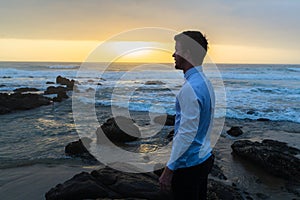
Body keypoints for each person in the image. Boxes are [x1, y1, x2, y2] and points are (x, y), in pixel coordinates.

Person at [159, 31, 215, 200]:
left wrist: (169, 170)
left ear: (188, 53)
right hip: (204, 157)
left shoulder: (190, 89)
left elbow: (186, 133)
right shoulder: (205, 82)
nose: (173, 54)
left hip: (189, 165)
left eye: (177, 49)